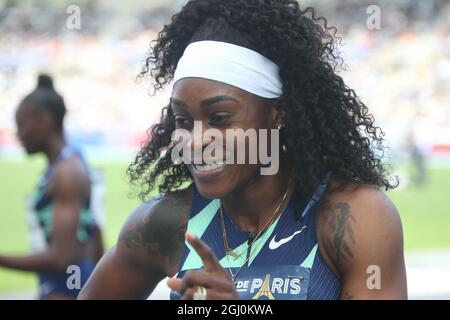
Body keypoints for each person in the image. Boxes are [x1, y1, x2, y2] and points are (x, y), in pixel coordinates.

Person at [79, 0, 407, 300]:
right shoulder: (163, 224)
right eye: (183, 120)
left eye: (220, 118)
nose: (195, 140)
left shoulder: (354, 218)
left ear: (279, 114)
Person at [0, 74, 104, 300]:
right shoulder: (67, 163)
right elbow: (94, 230)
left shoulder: (66, 172)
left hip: (67, 285)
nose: (18, 134)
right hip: (67, 283)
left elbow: (62, 258)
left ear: (44, 120)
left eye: (21, 125)